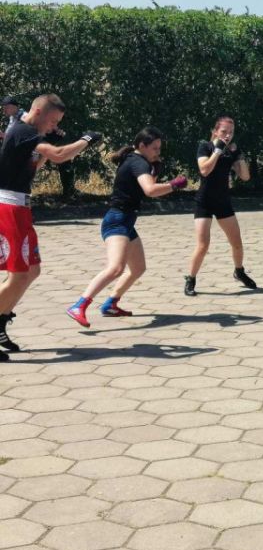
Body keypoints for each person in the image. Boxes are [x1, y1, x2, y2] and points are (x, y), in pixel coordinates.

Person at [0, 94, 102, 360]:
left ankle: (1, 320)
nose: (54, 126)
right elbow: (58, 157)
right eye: (53, 121)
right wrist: (86, 139)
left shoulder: (29, 135)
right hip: (9, 207)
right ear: (38, 112)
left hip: (20, 208)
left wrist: (50, 142)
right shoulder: (22, 130)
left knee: (32, 271)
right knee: (18, 275)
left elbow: (37, 163)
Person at [66, 127, 187, 327]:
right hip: (117, 221)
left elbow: (146, 185)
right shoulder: (138, 162)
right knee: (115, 268)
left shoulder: (134, 159)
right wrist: (173, 184)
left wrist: (155, 170)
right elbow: (150, 190)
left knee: (138, 268)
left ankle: (110, 304)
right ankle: (79, 306)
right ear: (142, 146)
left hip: (126, 221)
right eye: (155, 148)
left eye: (159, 148)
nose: (158, 152)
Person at [184, 116, 256, 296]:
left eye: (231, 132)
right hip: (204, 202)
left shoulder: (231, 151)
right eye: (224, 131)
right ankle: (190, 279)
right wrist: (217, 150)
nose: (227, 135)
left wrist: (239, 155)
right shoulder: (205, 147)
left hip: (223, 202)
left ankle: (239, 271)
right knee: (203, 245)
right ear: (215, 131)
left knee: (236, 243)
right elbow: (204, 170)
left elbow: (245, 177)